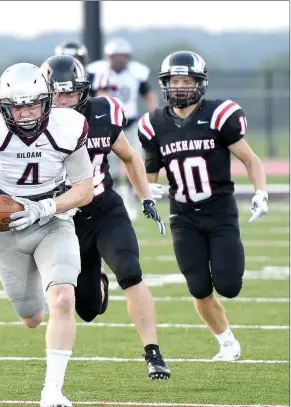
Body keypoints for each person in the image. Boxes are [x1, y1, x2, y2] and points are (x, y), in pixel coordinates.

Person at [0, 62, 94, 407]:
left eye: (33, 104)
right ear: (3, 108)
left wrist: (46, 207)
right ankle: (37, 289)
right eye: (17, 106)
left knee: (63, 298)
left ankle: (52, 390)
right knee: (31, 318)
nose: (25, 114)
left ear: (48, 101)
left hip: (53, 220)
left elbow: (84, 189)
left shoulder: (68, 127)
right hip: (6, 228)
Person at [41, 55, 170, 380]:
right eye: (57, 93)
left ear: (83, 92)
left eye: (70, 93)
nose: (64, 100)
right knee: (86, 308)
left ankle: (153, 352)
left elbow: (128, 156)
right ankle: (97, 283)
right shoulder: (34, 125)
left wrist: (145, 197)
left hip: (104, 209)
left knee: (131, 272)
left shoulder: (103, 112)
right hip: (65, 220)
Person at [138, 50, 269, 361]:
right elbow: (150, 169)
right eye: (174, 81)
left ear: (199, 83)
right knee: (198, 286)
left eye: (186, 80)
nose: (180, 87)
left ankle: (225, 330)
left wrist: (261, 191)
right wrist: (147, 188)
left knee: (229, 285)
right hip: (183, 216)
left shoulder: (219, 115)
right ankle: (226, 342)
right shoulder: (155, 123)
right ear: (165, 84)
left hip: (220, 212)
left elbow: (250, 159)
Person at [87, 38, 159, 220]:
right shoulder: (101, 72)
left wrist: (155, 117)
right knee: (105, 166)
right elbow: (101, 98)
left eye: (123, 56)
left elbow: (149, 95)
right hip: (108, 127)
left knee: (134, 163)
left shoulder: (136, 73)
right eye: (116, 56)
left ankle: (133, 202)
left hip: (130, 125)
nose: (120, 60)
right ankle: (110, 201)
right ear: (108, 57)